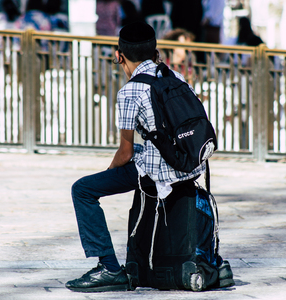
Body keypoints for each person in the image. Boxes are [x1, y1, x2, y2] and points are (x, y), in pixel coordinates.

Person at [65, 21, 207, 293]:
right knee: (143, 154)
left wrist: (109, 173)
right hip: (189, 165)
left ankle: (108, 267)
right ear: (155, 52)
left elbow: (125, 152)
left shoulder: (129, 91)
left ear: (119, 56)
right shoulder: (175, 76)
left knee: (82, 190)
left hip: (159, 172)